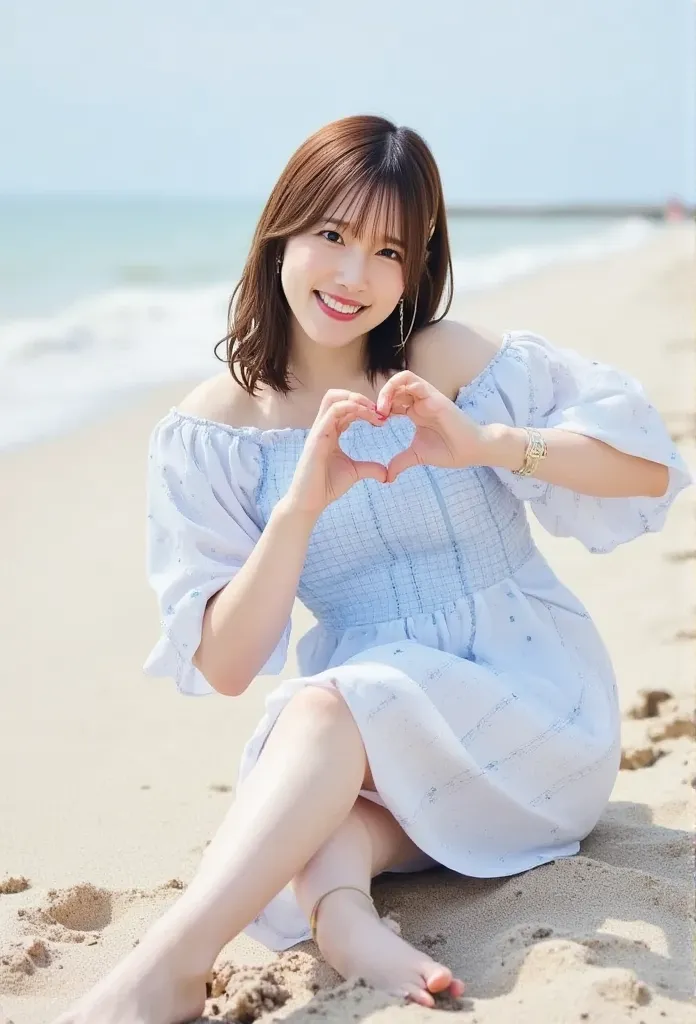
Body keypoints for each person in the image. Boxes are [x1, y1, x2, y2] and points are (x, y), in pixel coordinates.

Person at [55, 114, 691, 1024]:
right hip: (378, 748)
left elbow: (649, 468)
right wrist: (300, 506)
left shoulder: (446, 361)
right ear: (282, 228)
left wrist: (489, 443)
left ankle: (168, 970)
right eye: (332, 235)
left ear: (417, 264)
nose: (355, 276)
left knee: (320, 711)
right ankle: (347, 920)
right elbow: (228, 664)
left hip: (534, 706)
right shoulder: (216, 432)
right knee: (323, 814)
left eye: (388, 251)